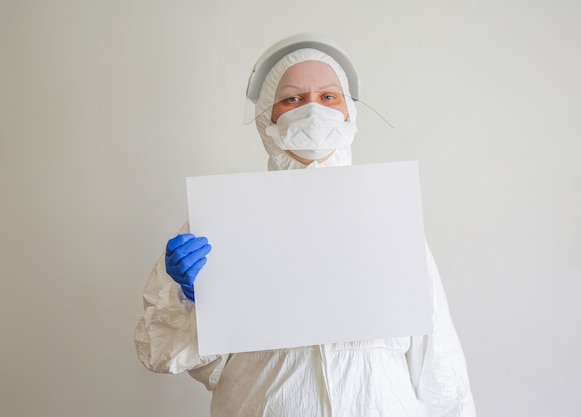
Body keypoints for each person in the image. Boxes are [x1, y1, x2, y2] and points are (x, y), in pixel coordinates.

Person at [135, 34, 477, 417]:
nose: (313, 111)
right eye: (293, 99)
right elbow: (161, 352)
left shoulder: (388, 215)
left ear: (349, 112)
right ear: (268, 115)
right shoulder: (221, 221)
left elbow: (438, 360)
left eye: (329, 97)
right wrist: (188, 298)